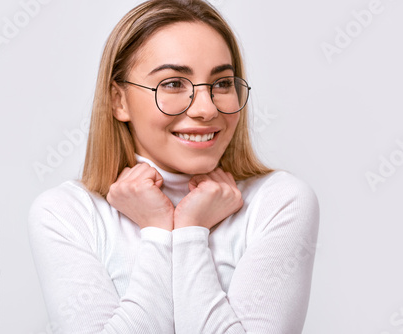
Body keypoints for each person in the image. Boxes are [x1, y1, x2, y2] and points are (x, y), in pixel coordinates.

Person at [28, 0, 319, 333]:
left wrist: (188, 233)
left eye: (222, 84)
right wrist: (158, 230)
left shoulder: (279, 202)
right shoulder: (65, 214)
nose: (206, 109)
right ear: (118, 101)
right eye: (173, 84)